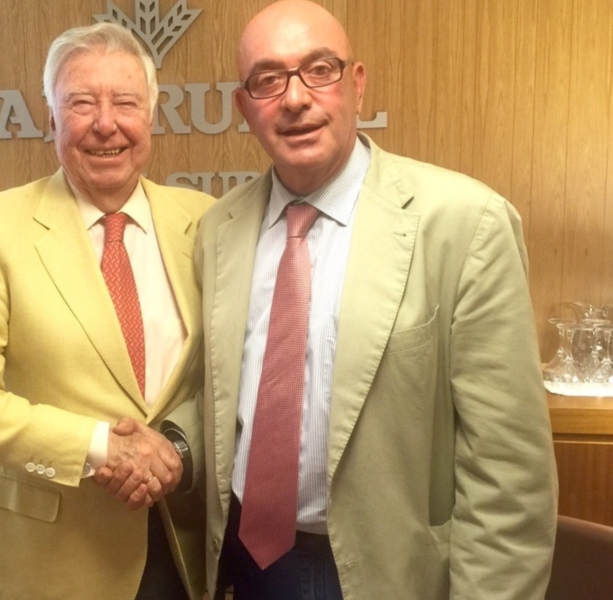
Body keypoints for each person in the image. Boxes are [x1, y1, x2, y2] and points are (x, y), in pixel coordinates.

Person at [194, 1, 559, 599]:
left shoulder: (466, 224)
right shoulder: (219, 230)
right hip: (249, 566)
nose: (294, 98)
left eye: (319, 69)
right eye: (268, 79)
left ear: (356, 84)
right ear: (244, 107)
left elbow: (509, 478)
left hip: (390, 574)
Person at [0, 22, 213, 600]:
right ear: (51, 120)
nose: (106, 123)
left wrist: (178, 447)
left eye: (125, 102)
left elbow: (229, 376)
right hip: (49, 561)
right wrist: (100, 445)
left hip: (181, 546)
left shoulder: (205, 222)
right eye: (81, 103)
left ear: (150, 116)